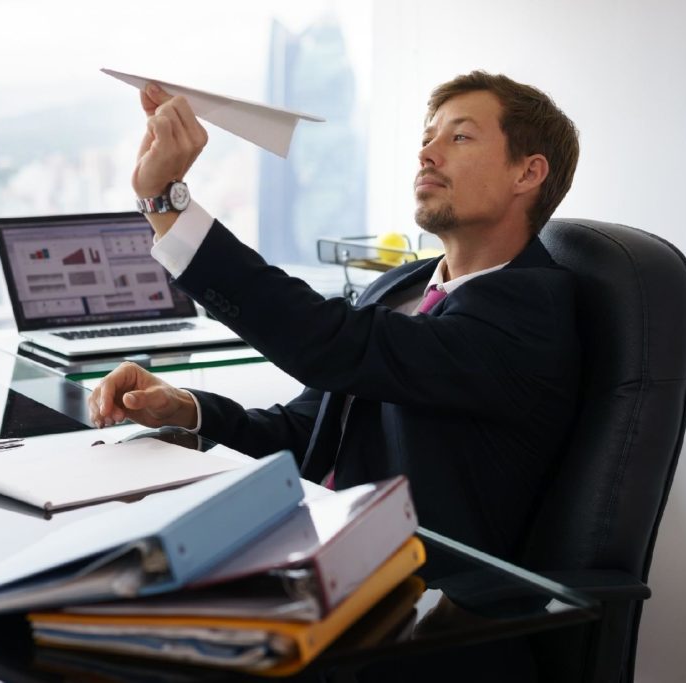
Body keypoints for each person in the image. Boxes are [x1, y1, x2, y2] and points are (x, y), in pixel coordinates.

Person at [88, 71, 582, 565]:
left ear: (527, 173)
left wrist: (167, 204)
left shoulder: (533, 310)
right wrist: (188, 410)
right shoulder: (402, 286)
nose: (427, 153)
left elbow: (329, 343)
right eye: (427, 137)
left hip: (421, 593)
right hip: (315, 545)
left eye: (459, 136)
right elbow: (310, 434)